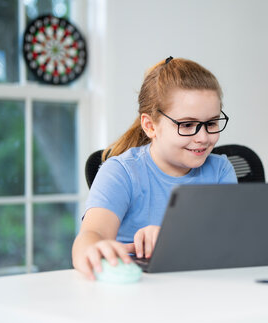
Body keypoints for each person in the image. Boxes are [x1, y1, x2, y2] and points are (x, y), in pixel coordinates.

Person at [72, 57, 237, 280]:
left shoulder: (220, 169)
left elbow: (228, 239)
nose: (203, 137)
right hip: (139, 291)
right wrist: (92, 248)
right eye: (187, 125)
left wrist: (175, 238)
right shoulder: (121, 172)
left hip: (202, 287)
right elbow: (92, 235)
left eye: (211, 123)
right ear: (150, 126)